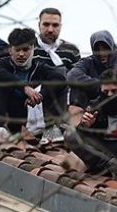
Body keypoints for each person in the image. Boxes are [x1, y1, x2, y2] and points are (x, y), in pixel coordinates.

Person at [0, 28, 66, 137]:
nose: (21, 54)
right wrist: (25, 88)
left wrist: (40, 95)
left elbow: (60, 79)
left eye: (25, 50)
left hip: (22, 114)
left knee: (54, 83)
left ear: (33, 49)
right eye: (17, 50)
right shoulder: (1, 63)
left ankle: (50, 127)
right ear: (10, 50)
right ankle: (1, 127)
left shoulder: (38, 66)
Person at [32, 7, 81, 141]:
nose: (50, 29)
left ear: (60, 26)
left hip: (63, 98)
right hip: (33, 98)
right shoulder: (29, 48)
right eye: (46, 24)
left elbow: (78, 76)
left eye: (55, 25)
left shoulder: (71, 51)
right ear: (39, 24)